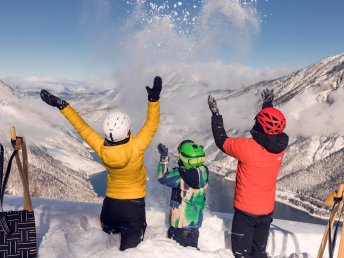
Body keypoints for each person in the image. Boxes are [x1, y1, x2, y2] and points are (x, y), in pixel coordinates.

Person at [40, 76, 162, 251]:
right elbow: (152, 124)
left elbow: (82, 127)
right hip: (133, 208)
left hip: (110, 208)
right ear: (127, 132)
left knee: (108, 245)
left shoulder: (101, 148)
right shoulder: (136, 147)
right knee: (131, 252)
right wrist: (154, 99)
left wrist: (62, 105)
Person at [207, 89, 289, 258]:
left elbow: (221, 140)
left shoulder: (246, 147)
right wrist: (267, 105)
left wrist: (216, 115)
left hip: (245, 212)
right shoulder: (280, 149)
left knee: (241, 254)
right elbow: (270, 130)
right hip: (266, 211)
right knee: (258, 253)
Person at [156, 140, 209, 248]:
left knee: (178, 251)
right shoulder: (204, 171)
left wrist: (164, 157)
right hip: (195, 223)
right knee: (191, 251)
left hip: (180, 223)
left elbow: (162, 178)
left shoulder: (180, 175)